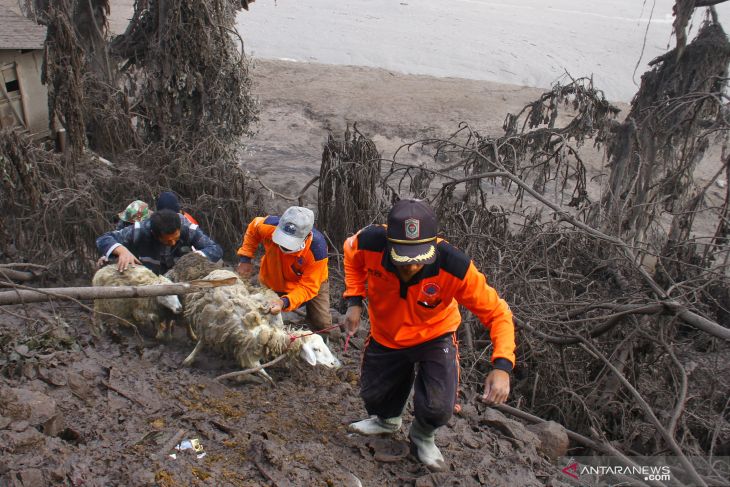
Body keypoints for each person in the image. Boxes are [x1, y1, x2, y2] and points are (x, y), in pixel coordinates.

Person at [342, 199, 515, 471]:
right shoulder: (369, 242)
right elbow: (351, 254)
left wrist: (502, 365)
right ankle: (387, 420)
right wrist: (354, 299)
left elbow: (497, 313)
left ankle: (422, 435)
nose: (411, 267)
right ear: (389, 246)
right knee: (374, 396)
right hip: (386, 333)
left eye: (419, 260)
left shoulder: (455, 266)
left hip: (435, 335)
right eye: (404, 260)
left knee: (438, 406)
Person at [235, 206, 331, 332]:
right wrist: (245, 258)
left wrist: (284, 302)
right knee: (263, 316)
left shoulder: (317, 251)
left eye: (290, 243)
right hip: (272, 277)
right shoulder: (268, 226)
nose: (284, 246)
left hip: (311, 282)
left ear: (306, 237)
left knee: (321, 322)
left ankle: (321, 344)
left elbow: (308, 287)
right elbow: (253, 228)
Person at [96, 209, 223, 275]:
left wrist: (194, 258)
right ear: (155, 234)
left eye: (176, 238)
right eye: (168, 240)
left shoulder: (187, 228)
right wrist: (122, 251)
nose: (173, 243)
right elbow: (103, 239)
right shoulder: (141, 230)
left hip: (180, 276)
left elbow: (215, 249)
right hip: (149, 278)